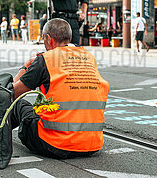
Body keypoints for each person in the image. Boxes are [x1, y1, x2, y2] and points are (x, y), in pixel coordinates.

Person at [12, 18, 110, 159]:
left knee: (19, 105)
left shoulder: (45, 59)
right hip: (92, 144)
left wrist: (27, 65)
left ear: (48, 39)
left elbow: (14, 92)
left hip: (55, 144)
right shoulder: (88, 56)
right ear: (69, 38)